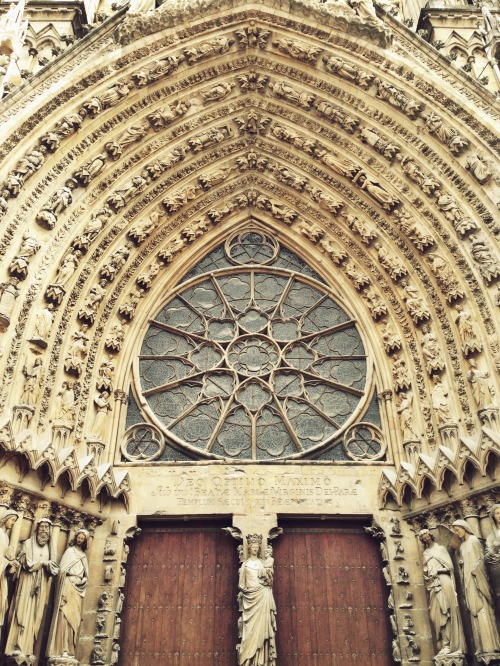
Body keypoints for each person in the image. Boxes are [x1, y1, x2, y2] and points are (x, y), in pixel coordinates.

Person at [5, 518, 59, 658]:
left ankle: (28, 648)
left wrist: (47, 565)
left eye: (47, 527)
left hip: (40, 586)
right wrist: (41, 564)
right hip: (26, 582)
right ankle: (16, 645)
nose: (44, 530)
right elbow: (24, 561)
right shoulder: (28, 544)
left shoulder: (50, 548)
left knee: (35, 615)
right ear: (37, 528)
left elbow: (54, 568)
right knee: (22, 611)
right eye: (41, 527)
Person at [452, 520, 500, 659]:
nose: (456, 533)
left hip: (477, 580)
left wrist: (475, 572)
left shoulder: (474, 541)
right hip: (468, 580)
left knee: (482, 608)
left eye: (458, 529)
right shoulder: (462, 547)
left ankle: (490, 645)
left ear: (465, 528)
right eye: (454, 531)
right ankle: (480, 646)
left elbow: (481, 562)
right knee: (473, 612)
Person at [418, 529, 465, 656]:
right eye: (424, 539)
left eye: (427, 537)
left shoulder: (441, 549)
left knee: (446, 612)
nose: (426, 539)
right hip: (433, 585)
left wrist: (438, 572)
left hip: (443, 582)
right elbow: (426, 569)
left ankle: (450, 644)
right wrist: (428, 575)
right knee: (436, 615)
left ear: (431, 536)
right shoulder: (426, 553)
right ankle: (444, 642)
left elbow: (450, 567)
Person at [46, 529, 89, 658]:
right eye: (79, 537)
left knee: (74, 620)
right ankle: (60, 647)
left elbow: (87, 575)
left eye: (82, 538)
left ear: (85, 541)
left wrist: (83, 580)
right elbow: (62, 570)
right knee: (64, 615)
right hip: (68, 584)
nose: (80, 540)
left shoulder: (84, 556)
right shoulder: (69, 552)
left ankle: (69, 648)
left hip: (78, 588)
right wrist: (68, 577)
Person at [237, 535, 277, 666]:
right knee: (249, 632)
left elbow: (269, 581)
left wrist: (268, 578)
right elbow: (241, 585)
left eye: (257, 546)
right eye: (253, 546)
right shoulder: (245, 565)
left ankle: (262, 661)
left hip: (263, 597)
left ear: (259, 547)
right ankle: (248, 661)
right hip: (250, 600)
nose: (255, 548)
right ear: (249, 547)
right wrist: (246, 591)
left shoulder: (262, 563)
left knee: (263, 629)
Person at [0, 509, 19, 638]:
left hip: (1, 576)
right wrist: (7, 562)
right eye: (12, 520)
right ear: (5, 518)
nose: (13, 523)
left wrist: (11, 564)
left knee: (2, 604)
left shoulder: (6, 537)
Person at [485, 504, 500, 616]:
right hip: (496, 569)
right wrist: (493, 550)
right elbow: (487, 556)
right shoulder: (490, 537)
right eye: (497, 513)